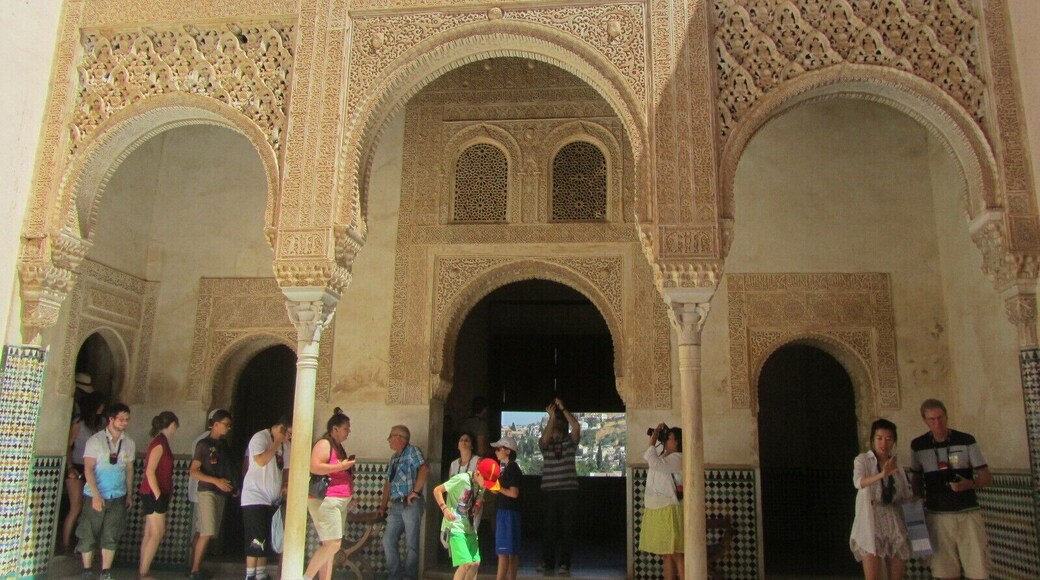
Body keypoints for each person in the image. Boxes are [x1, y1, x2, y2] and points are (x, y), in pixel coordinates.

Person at [910, 399, 992, 580]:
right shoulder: (918, 445)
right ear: (924, 420)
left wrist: (968, 484)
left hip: (968, 514)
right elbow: (916, 479)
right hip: (937, 517)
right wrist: (917, 506)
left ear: (946, 415)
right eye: (932, 419)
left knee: (978, 570)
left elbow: (986, 477)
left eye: (940, 417)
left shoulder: (966, 440)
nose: (937, 423)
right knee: (944, 571)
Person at [76, 403, 135, 580]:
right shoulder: (95, 441)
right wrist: (95, 495)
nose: (124, 422)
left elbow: (129, 469)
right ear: (111, 419)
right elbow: (88, 468)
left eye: (127, 419)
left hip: (117, 495)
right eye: (121, 419)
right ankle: (87, 570)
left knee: (112, 533)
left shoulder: (129, 442)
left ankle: (105, 571)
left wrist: (129, 494)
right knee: (88, 533)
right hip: (95, 494)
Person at [850, 418, 913, 580]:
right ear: (872, 440)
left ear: (894, 441)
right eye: (879, 438)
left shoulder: (898, 466)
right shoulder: (863, 460)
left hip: (893, 520)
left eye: (888, 439)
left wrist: (915, 502)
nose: (883, 443)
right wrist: (882, 474)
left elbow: (903, 496)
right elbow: (859, 482)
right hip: (871, 520)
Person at [304, 408, 356, 580]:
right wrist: (342, 466)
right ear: (335, 429)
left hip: (339, 500)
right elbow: (315, 466)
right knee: (333, 544)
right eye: (346, 428)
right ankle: (306, 577)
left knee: (329, 546)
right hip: (327, 500)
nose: (348, 432)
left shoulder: (338, 447)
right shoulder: (324, 444)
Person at [433, 457, 501, 580]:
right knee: (466, 564)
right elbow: (437, 490)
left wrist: (477, 505)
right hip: (455, 527)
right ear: (478, 473)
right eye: (486, 482)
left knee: (475, 564)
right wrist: (445, 509)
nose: (486, 486)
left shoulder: (481, 485)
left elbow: (479, 497)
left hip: (469, 527)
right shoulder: (461, 479)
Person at [241, 416, 292, 580]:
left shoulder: (286, 445)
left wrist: (285, 484)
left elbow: (286, 469)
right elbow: (261, 461)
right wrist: (276, 442)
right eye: (288, 433)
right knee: (256, 539)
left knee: (266, 537)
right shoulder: (260, 438)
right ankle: (250, 575)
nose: (289, 437)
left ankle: (261, 574)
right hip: (254, 497)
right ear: (280, 428)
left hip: (272, 500)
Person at [378, 424, 430, 580]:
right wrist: (382, 506)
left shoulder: (413, 451)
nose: (388, 439)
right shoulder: (394, 457)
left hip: (410, 504)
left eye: (391, 436)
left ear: (400, 438)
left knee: (411, 544)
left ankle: (409, 576)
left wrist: (415, 492)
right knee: (388, 540)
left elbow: (424, 469)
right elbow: (388, 483)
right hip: (396, 505)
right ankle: (395, 575)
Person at [188, 410, 236, 580]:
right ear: (215, 424)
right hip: (207, 491)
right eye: (226, 424)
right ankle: (194, 570)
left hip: (220, 492)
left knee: (207, 531)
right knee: (206, 531)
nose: (228, 428)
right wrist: (215, 481)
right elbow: (193, 471)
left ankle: (196, 566)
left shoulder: (223, 445)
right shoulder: (203, 444)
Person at [538, 398, 580, 576]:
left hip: (568, 492)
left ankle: (564, 563)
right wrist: (552, 418)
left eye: (559, 422)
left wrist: (563, 409)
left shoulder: (570, 442)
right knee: (549, 528)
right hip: (550, 492)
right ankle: (548, 562)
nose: (557, 424)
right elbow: (544, 439)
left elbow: (576, 427)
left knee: (567, 529)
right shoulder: (545, 444)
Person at [639, 423, 684, 580]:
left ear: (677, 442)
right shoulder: (665, 456)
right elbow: (655, 461)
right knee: (666, 554)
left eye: (668, 438)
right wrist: (662, 434)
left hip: (669, 509)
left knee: (677, 553)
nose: (664, 441)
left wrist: (652, 443)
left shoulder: (678, 458)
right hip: (657, 508)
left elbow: (655, 463)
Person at [138, 411, 179, 580]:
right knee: (157, 532)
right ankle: (143, 573)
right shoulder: (159, 444)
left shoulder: (162, 442)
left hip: (154, 492)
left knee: (150, 532)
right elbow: (150, 471)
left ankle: (142, 571)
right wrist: (158, 495)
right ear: (172, 425)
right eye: (175, 427)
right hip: (153, 493)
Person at [63, 391, 105, 555]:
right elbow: (68, 445)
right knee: (76, 507)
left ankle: (80, 544)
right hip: (76, 467)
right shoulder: (79, 422)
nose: (102, 407)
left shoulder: (99, 424)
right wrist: (70, 467)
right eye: (100, 404)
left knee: (88, 508)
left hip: (92, 469)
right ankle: (65, 544)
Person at [492, 436, 522, 580]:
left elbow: (514, 493)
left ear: (508, 451)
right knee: (511, 552)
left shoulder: (512, 468)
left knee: (504, 552)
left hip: (508, 514)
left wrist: (499, 488)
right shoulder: (507, 469)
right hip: (507, 513)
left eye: (499, 449)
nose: (496, 452)